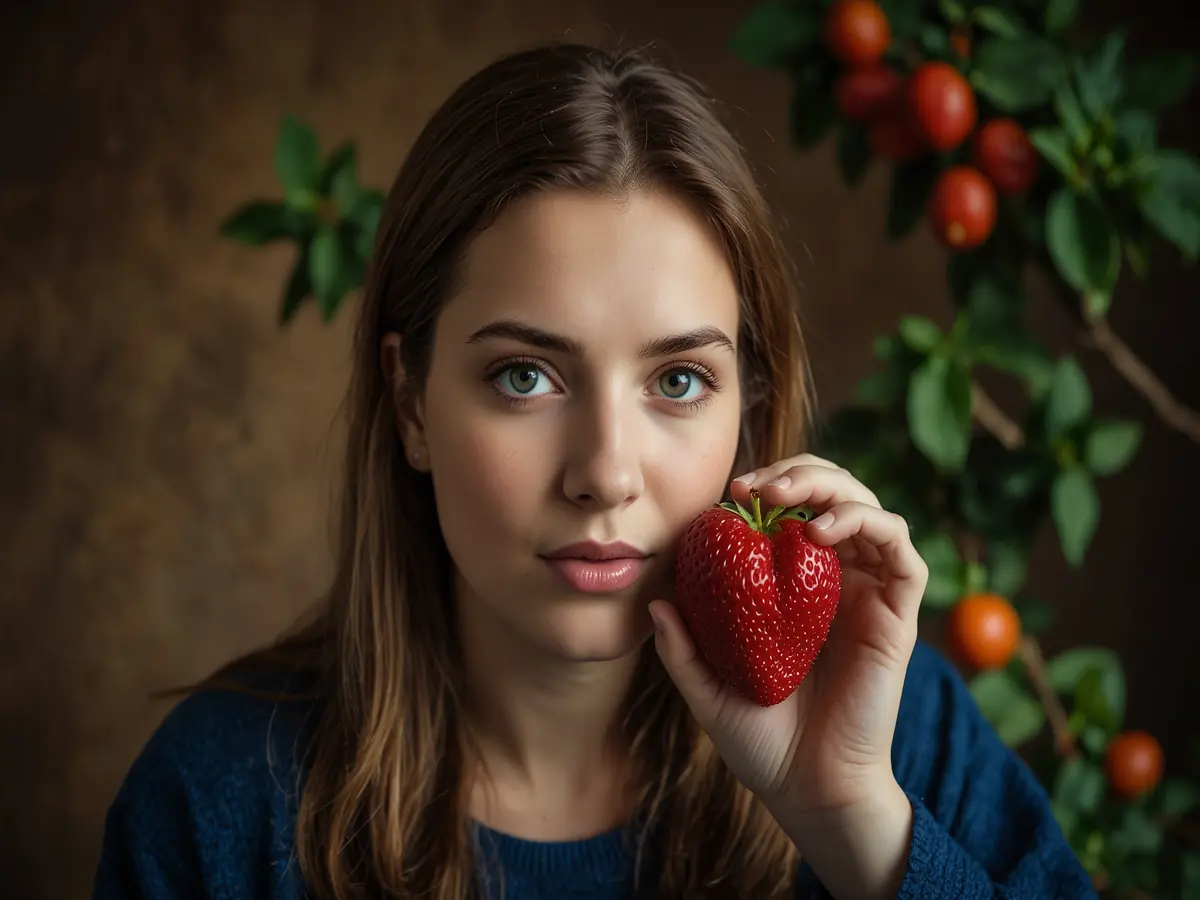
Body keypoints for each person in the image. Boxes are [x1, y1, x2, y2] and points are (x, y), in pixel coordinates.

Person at [92, 42, 1098, 900]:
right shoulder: (216, 805)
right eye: (524, 376)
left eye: (678, 381)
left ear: (747, 409)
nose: (606, 473)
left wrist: (855, 825)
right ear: (411, 404)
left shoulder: (890, 731)